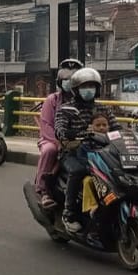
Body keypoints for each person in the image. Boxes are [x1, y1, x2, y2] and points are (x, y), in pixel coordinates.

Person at [54, 67, 116, 233]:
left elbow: (117, 128)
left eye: (92, 86)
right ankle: (69, 213)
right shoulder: (67, 109)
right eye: (84, 86)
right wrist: (71, 133)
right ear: (75, 89)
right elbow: (59, 129)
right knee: (78, 171)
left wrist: (130, 134)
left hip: (102, 153)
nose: (89, 90)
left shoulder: (105, 110)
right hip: (73, 153)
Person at [35, 59, 84, 208]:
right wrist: (59, 142)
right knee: (50, 150)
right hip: (53, 139)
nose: (69, 82)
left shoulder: (84, 101)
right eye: (65, 79)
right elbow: (46, 125)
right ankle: (43, 190)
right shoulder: (52, 100)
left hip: (79, 139)